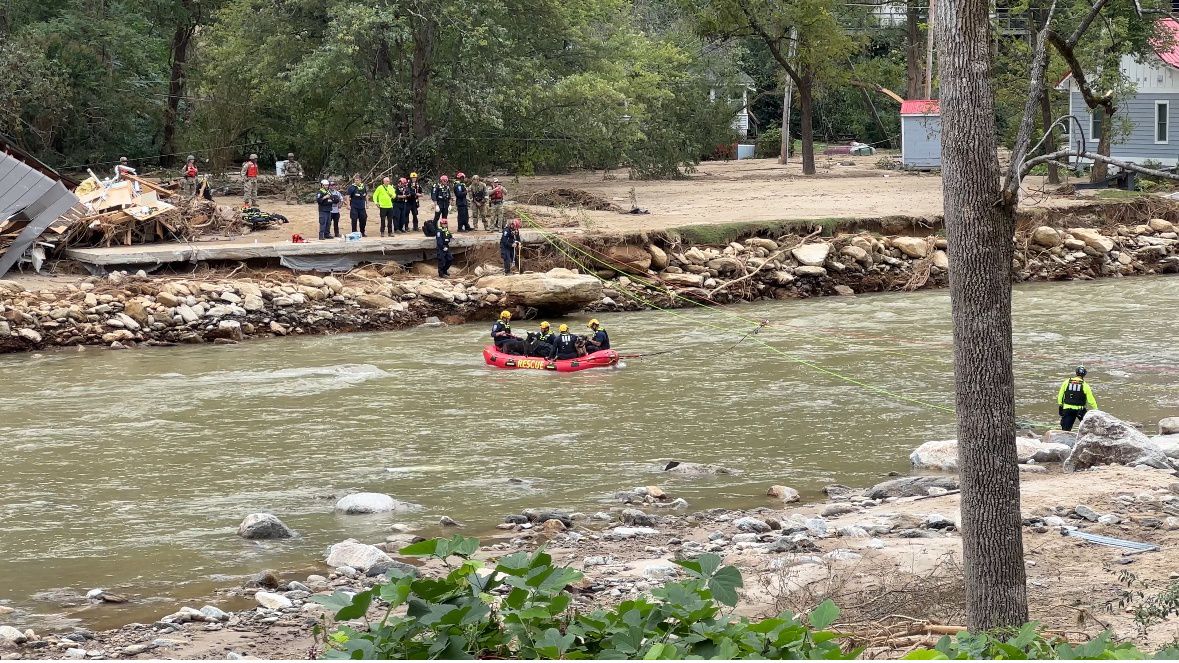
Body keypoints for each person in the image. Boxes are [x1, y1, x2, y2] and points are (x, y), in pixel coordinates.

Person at [1057, 366, 1098, 432]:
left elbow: (1060, 396)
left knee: (1065, 430)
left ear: (1076, 373)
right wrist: (1096, 409)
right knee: (1088, 428)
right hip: (1080, 410)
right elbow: (1091, 400)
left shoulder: (1066, 382)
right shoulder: (1085, 385)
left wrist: (1060, 405)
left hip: (1067, 409)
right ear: (1084, 375)